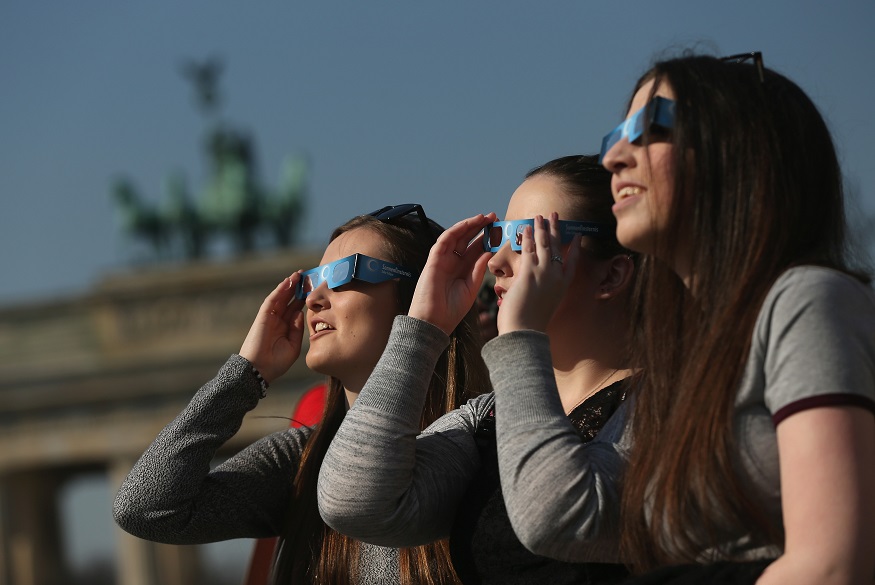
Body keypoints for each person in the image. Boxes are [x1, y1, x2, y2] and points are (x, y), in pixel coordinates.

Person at [489, 53, 875, 584]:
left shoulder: (805, 300)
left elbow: (832, 566)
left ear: (742, 149)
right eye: (616, 135)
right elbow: (562, 516)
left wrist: (522, 335)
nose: (615, 158)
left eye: (653, 127)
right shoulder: (683, 364)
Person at [112, 204, 492, 585]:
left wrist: (423, 329)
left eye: (343, 274)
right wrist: (246, 374)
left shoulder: (478, 440)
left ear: (419, 294)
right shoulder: (300, 461)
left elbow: (362, 491)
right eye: (311, 282)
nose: (313, 299)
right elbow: (145, 507)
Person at [318, 155, 638, 584]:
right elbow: (354, 502)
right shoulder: (486, 418)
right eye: (499, 237)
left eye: (527, 239)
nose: (496, 262)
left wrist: (521, 337)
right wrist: (423, 327)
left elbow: (554, 517)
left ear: (611, 275)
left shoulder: (667, 405)